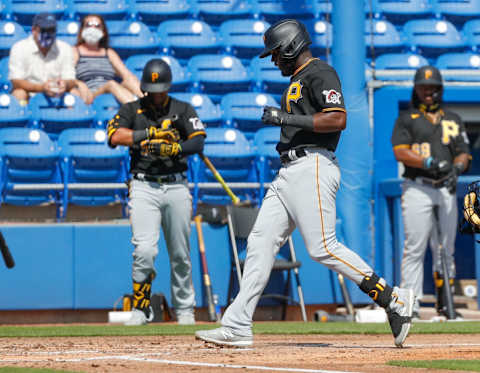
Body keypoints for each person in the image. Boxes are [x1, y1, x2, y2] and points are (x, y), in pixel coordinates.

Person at [195, 19, 414, 348]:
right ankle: (237, 323)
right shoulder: (298, 78)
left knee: (322, 247)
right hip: (288, 171)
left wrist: (284, 118)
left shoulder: (320, 72)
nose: (273, 60)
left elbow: (337, 118)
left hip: (312, 164)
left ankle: (392, 298)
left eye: (275, 53)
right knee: (259, 241)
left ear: (289, 46)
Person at [107, 59, 206, 325]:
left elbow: (198, 142)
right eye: (153, 89)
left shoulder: (182, 109)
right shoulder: (132, 109)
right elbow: (114, 136)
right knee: (145, 251)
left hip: (175, 184)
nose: (157, 95)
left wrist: (175, 148)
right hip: (143, 186)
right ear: (145, 88)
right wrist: (148, 135)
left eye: (161, 89)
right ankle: (142, 309)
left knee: (180, 253)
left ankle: (185, 309)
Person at [391, 66, 470, 320]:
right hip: (418, 186)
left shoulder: (452, 118)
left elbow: (463, 152)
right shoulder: (408, 118)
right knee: (415, 248)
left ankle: (445, 304)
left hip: (445, 188)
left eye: (433, 87)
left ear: (440, 89)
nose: (428, 91)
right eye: (424, 87)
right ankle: (410, 306)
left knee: (445, 248)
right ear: (416, 89)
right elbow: (400, 152)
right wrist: (429, 163)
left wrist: (457, 167)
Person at [8, 13, 81, 105]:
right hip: (30, 93)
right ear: (33, 30)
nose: (47, 34)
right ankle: (22, 114)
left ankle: (72, 118)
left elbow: (70, 79)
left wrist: (64, 84)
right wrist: (41, 88)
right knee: (18, 94)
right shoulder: (19, 48)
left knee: (75, 93)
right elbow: (16, 81)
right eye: (43, 30)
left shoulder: (65, 48)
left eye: (51, 30)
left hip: (58, 92)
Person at [73, 14, 143, 105]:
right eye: (88, 25)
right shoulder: (75, 51)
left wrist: (132, 80)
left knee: (130, 80)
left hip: (112, 91)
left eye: (97, 26)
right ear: (82, 30)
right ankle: (139, 112)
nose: (93, 28)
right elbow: (68, 76)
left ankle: (151, 106)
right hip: (91, 94)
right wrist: (79, 84)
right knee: (111, 84)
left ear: (103, 31)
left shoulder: (109, 52)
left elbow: (126, 74)